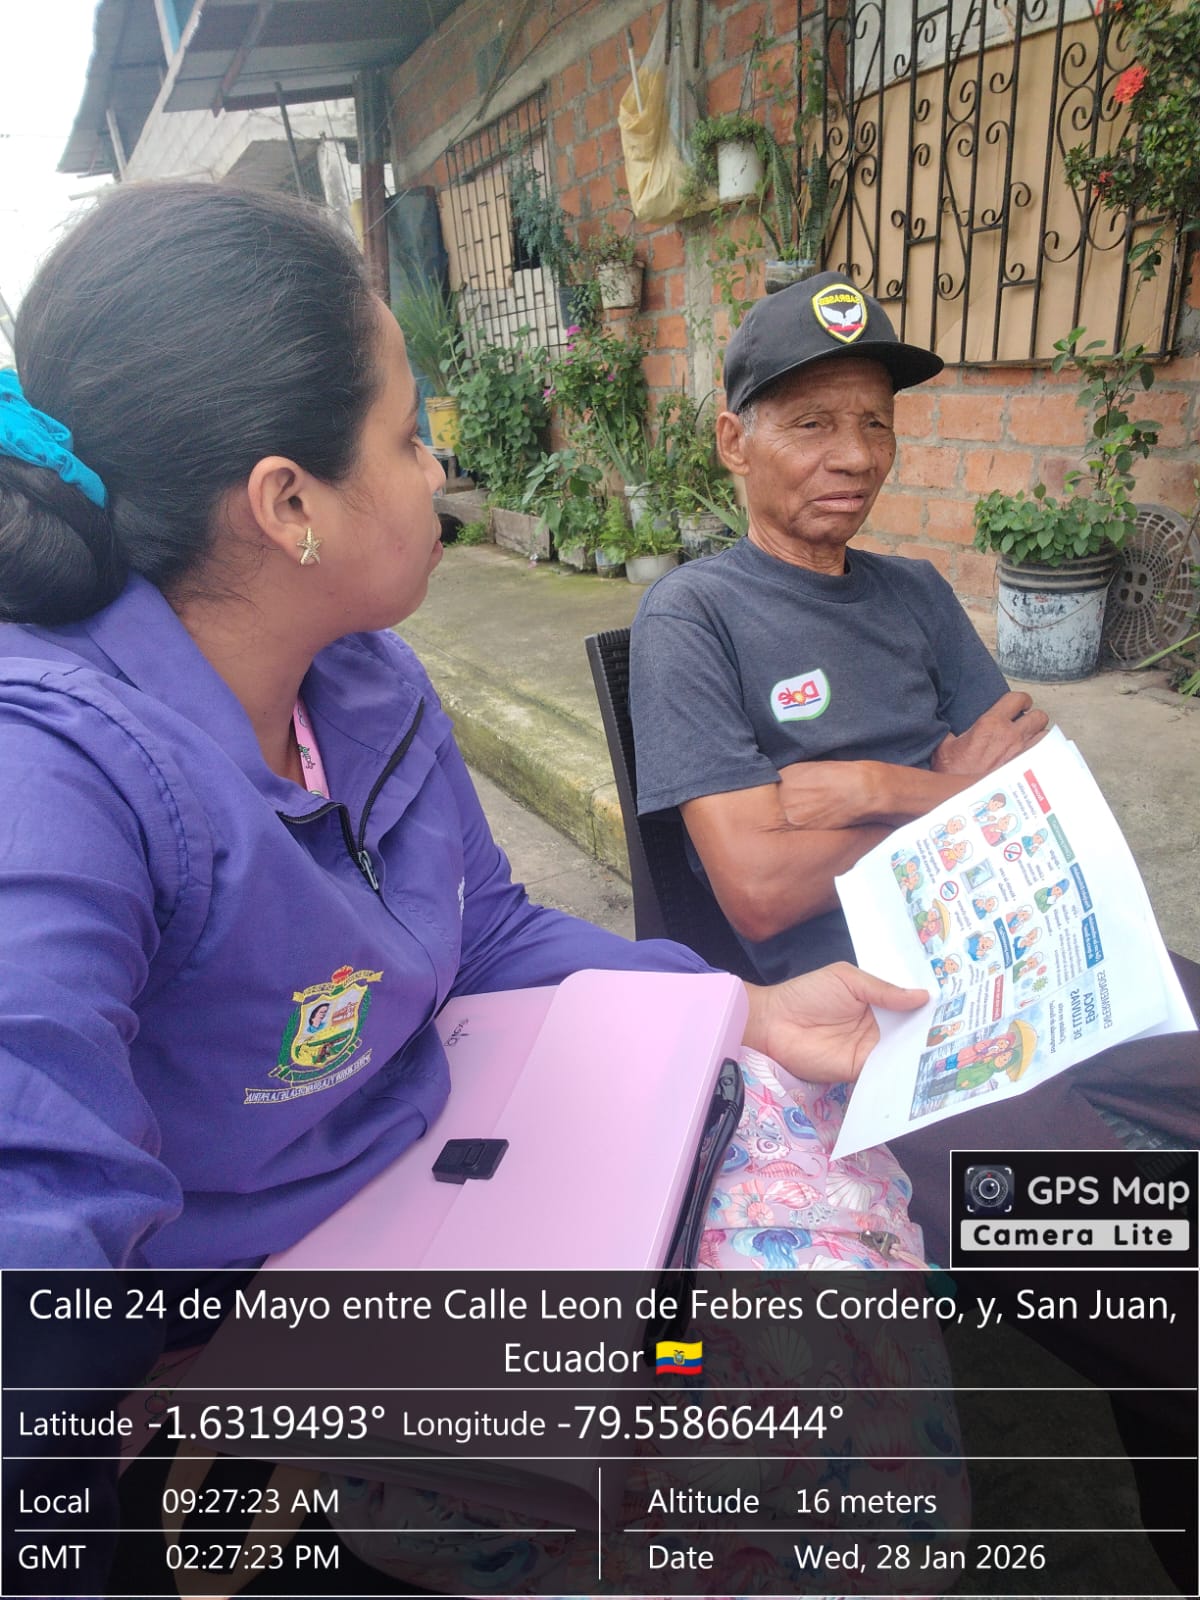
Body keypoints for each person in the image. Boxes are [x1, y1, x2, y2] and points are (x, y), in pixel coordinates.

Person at [0, 184, 941, 1596]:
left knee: (831, 1220)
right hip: (270, 1319)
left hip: (451, 1173)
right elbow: (36, 1236)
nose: (439, 464)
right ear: (288, 502)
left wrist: (743, 1008)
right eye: (405, 434)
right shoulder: (55, 771)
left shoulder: (360, 679)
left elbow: (484, 927)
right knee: (772, 1462)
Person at [630, 271, 1052, 985]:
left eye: (876, 423)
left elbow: (1031, 800)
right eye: (812, 424)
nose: (857, 457)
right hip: (864, 992)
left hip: (1012, 923)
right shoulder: (693, 615)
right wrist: (951, 793)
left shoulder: (918, 590)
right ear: (735, 443)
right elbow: (764, 891)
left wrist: (871, 789)